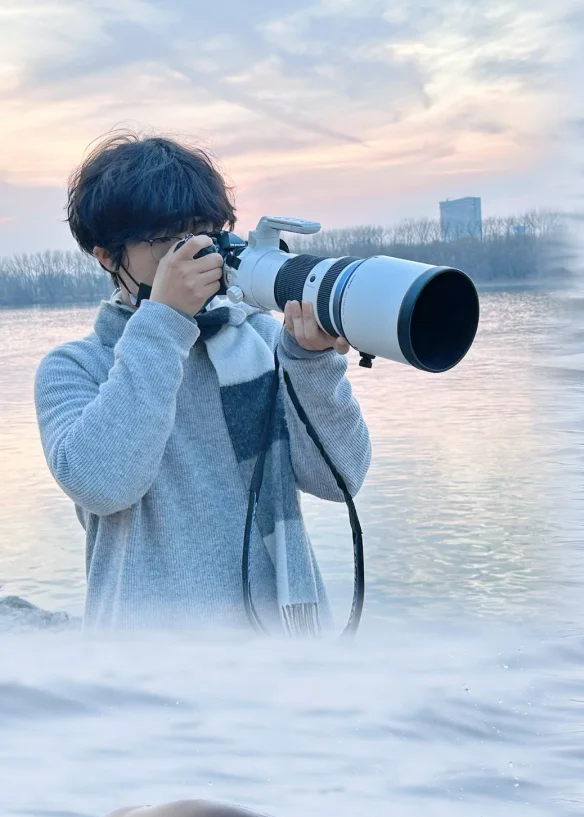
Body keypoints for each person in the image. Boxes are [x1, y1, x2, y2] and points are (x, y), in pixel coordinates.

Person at [34, 132, 371, 632]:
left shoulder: (261, 340)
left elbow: (339, 478)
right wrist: (165, 320)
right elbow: (103, 483)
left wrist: (312, 362)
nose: (196, 256)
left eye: (205, 234)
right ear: (108, 257)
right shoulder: (77, 367)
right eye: (169, 242)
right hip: (150, 662)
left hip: (283, 654)